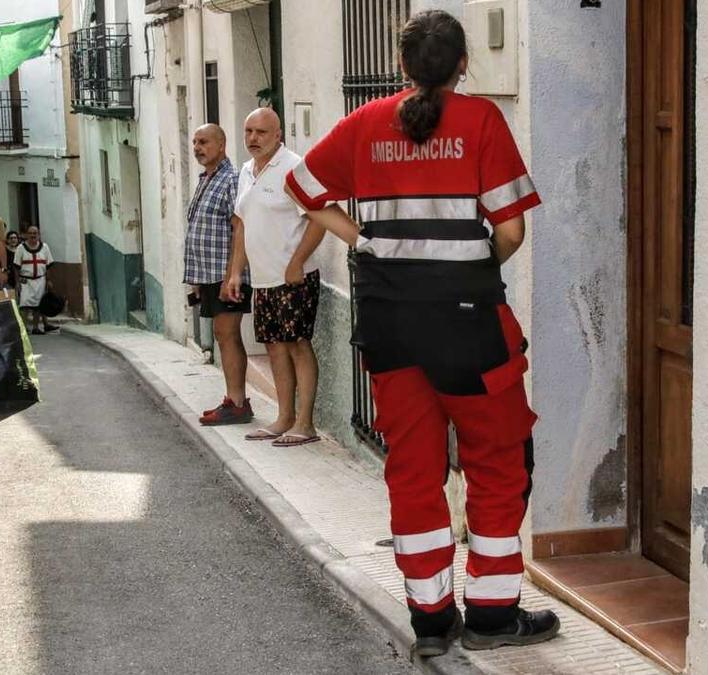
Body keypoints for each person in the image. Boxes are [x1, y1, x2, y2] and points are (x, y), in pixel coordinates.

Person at [284, 10, 559, 656]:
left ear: (401, 66)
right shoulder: (482, 122)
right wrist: (471, 264)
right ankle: (492, 614)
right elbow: (512, 230)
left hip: (390, 325)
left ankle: (431, 620)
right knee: (496, 460)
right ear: (463, 65)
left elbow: (303, 186)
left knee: (413, 470)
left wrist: (364, 240)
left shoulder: (364, 125)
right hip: (469, 327)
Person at [224, 108, 323, 447]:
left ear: (278, 134)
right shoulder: (246, 171)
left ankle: (305, 423)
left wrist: (298, 262)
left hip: (294, 277)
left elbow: (319, 218)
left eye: (261, 132)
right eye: (248, 131)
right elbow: (241, 223)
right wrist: (236, 271)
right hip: (263, 278)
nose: (253, 138)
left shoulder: (295, 167)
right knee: (273, 346)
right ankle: (283, 417)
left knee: (297, 345)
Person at [184, 124, 253, 426]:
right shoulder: (206, 179)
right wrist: (198, 280)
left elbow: (240, 228)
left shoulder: (231, 180)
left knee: (227, 335)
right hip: (210, 275)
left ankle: (237, 403)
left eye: (204, 142)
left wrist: (231, 276)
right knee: (222, 335)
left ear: (222, 145)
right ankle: (233, 399)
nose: (198, 147)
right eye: (195, 142)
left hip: (227, 276)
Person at [15, 225, 57, 334]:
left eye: (35, 233)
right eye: (30, 233)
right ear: (27, 235)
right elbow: (16, 266)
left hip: (40, 280)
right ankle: (23, 328)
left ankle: (35, 328)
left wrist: (49, 280)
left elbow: (48, 265)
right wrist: (17, 282)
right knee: (24, 305)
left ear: (38, 235)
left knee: (38, 305)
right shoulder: (21, 248)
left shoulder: (45, 247)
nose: (33, 235)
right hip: (26, 281)